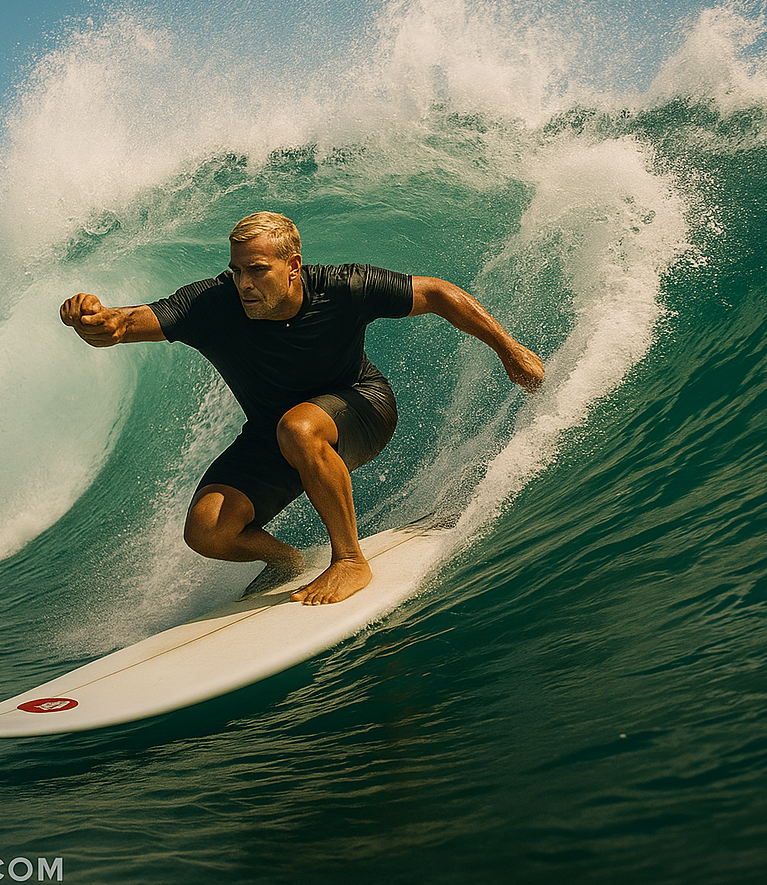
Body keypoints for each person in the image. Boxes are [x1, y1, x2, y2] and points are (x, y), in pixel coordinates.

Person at [60, 212, 544, 606]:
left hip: (362, 407)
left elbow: (437, 293)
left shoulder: (342, 287)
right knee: (208, 532)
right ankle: (289, 561)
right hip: (274, 432)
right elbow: (120, 326)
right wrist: (93, 318)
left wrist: (509, 349)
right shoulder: (212, 305)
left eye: (257, 269)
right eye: (236, 270)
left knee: (299, 426)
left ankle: (350, 560)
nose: (243, 283)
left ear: (292, 266)